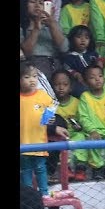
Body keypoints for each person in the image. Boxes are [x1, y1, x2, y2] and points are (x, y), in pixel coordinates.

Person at [21, 61, 66, 195]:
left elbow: (52, 108)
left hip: (39, 141)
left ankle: (44, 194)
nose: (32, 80)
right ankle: (29, 197)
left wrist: (51, 119)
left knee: (41, 168)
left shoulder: (42, 95)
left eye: (35, 76)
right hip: (22, 142)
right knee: (26, 170)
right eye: (27, 77)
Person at [74, 63, 105, 177]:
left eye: (100, 76)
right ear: (85, 82)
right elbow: (83, 117)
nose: (97, 79)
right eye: (92, 77)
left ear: (104, 78)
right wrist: (92, 131)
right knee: (93, 141)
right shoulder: (85, 97)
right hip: (93, 131)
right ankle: (98, 169)